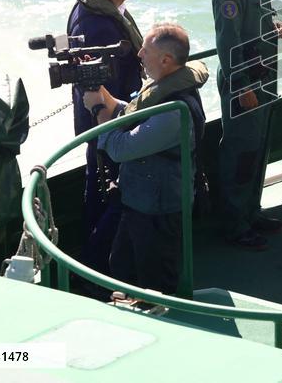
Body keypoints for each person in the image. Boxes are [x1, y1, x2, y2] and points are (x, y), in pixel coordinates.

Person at [83, 23, 207, 296]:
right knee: (123, 265)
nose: (139, 54)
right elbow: (130, 113)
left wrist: (97, 109)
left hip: (158, 210)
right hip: (140, 201)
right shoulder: (162, 88)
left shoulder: (174, 111)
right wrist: (100, 89)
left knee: (155, 284)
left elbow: (119, 147)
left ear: (166, 59)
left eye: (146, 50)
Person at [213, 0, 282, 250]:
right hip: (245, 84)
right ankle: (232, 224)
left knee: (257, 148)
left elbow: (249, 22)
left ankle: (249, 211)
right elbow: (228, 41)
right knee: (240, 152)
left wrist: (272, 28)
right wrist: (242, 86)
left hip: (263, 77)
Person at [67, 0, 144, 277]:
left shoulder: (92, 9)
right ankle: (96, 265)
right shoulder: (100, 27)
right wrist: (122, 121)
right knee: (108, 190)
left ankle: (94, 258)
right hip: (106, 123)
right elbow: (101, 87)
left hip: (97, 120)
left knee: (96, 186)